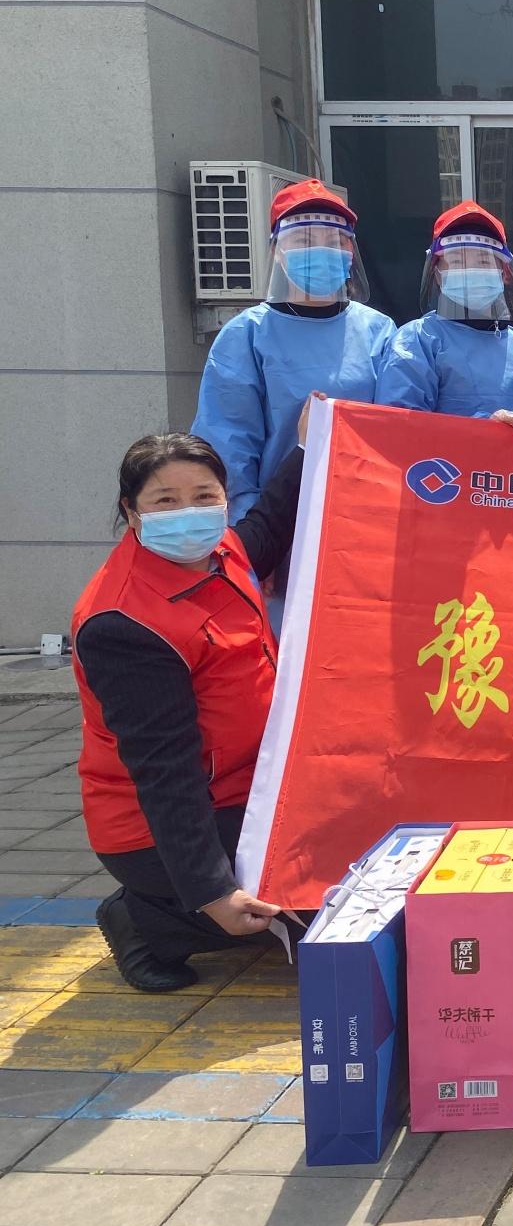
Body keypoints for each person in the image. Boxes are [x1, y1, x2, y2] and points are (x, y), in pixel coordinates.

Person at [75, 414, 316, 990]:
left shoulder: (223, 551)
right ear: (132, 511)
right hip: (163, 824)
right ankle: (148, 918)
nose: (189, 512)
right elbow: (165, 774)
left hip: (251, 785)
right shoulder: (124, 623)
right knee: (316, 903)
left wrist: (311, 446)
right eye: (165, 500)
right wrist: (213, 892)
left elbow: (267, 525)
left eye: (204, 496)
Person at [192, 180, 393, 519]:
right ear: (277, 251)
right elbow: (228, 448)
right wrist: (251, 532)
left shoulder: (379, 331)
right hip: (276, 520)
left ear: (350, 252)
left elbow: (400, 429)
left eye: (335, 241)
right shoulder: (247, 335)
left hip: (364, 516)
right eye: (303, 240)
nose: (321, 250)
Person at [374, 200, 513, 427]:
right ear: (438, 274)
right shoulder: (417, 341)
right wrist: (482, 431)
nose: (471, 271)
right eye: (458, 261)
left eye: (483, 261)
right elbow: (398, 427)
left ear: (504, 273)